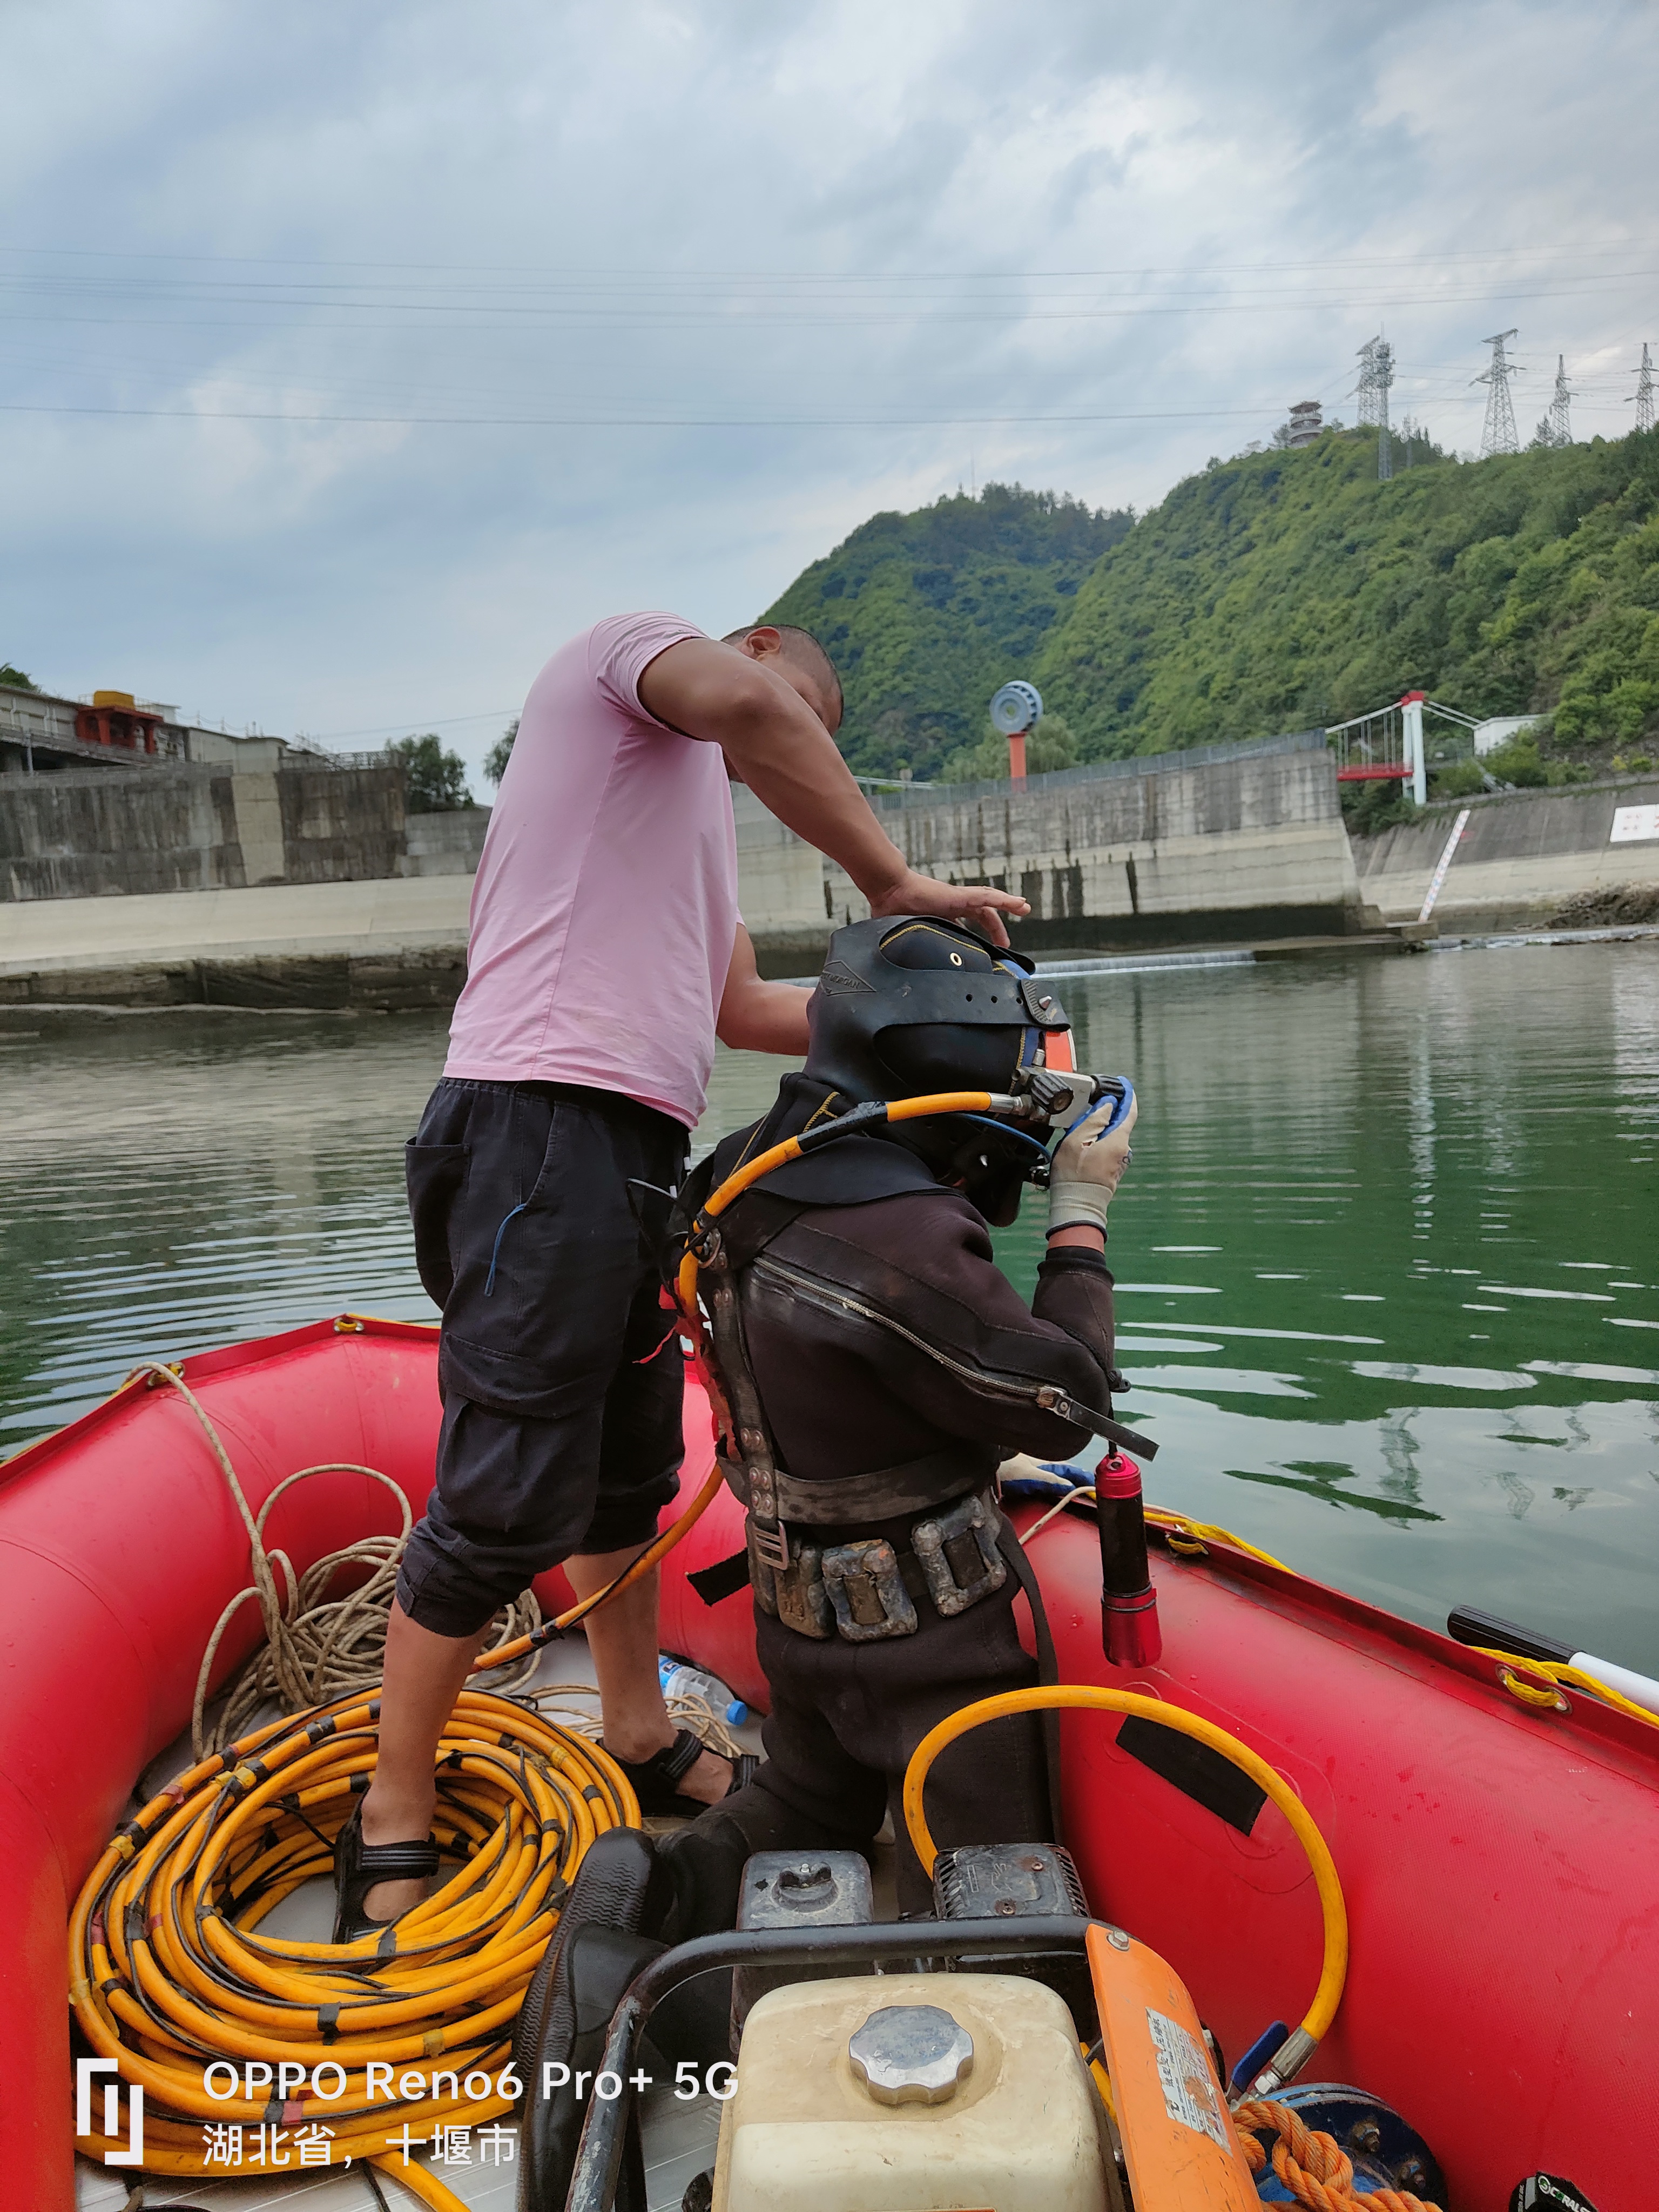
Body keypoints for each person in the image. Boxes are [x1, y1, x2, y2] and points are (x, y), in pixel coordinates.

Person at [335, 615, 1028, 1939]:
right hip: (536, 1122)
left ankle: (641, 1731)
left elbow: (746, 1013)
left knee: (628, 1475)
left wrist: (943, 1012)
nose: (788, 742)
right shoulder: (627, 658)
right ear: (753, 645)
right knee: (497, 1507)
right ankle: (391, 1810)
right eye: (802, 710)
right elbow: (758, 721)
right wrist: (896, 883)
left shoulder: (687, 815)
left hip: (641, 1147)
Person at [660, 912, 1137, 1918]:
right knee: (987, 1883)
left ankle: (652, 1890)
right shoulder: (906, 1240)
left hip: (793, 1622)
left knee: (800, 1798)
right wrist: (1080, 1212)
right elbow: (1064, 1406)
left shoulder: (737, 1173)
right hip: (934, 1654)